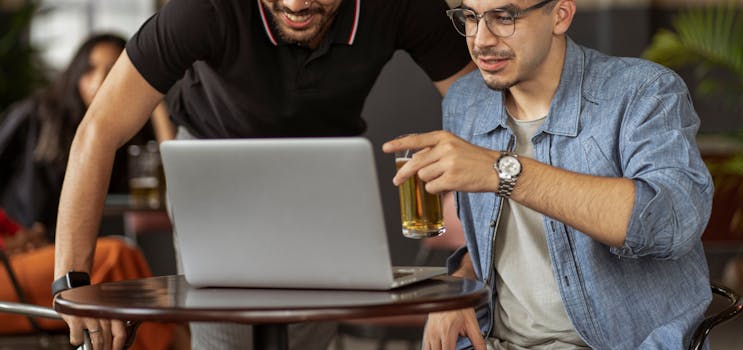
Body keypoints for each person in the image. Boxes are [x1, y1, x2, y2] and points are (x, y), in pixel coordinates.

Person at [52, 0, 475, 349]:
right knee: (226, 340)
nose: (296, 5)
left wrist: (469, 268)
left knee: (309, 337)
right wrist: (72, 283)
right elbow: (99, 130)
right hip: (215, 161)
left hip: (324, 163)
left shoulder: (402, 7)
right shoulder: (202, 10)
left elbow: (486, 118)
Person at [383, 0, 714, 349]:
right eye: (470, 17)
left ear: (560, 15)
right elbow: (487, 245)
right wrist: (457, 290)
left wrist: (502, 171)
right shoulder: (465, 102)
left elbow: (671, 224)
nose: (480, 40)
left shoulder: (644, 92)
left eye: (504, 17)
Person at [0, 34, 178, 349]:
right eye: (90, 69)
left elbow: (172, 173)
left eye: (112, 72)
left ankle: (172, 342)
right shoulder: (35, 115)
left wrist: (154, 100)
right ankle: (173, 344)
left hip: (44, 257)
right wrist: (10, 236)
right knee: (116, 257)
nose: (99, 81)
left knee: (124, 265)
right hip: (12, 263)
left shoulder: (114, 140)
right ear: (75, 73)